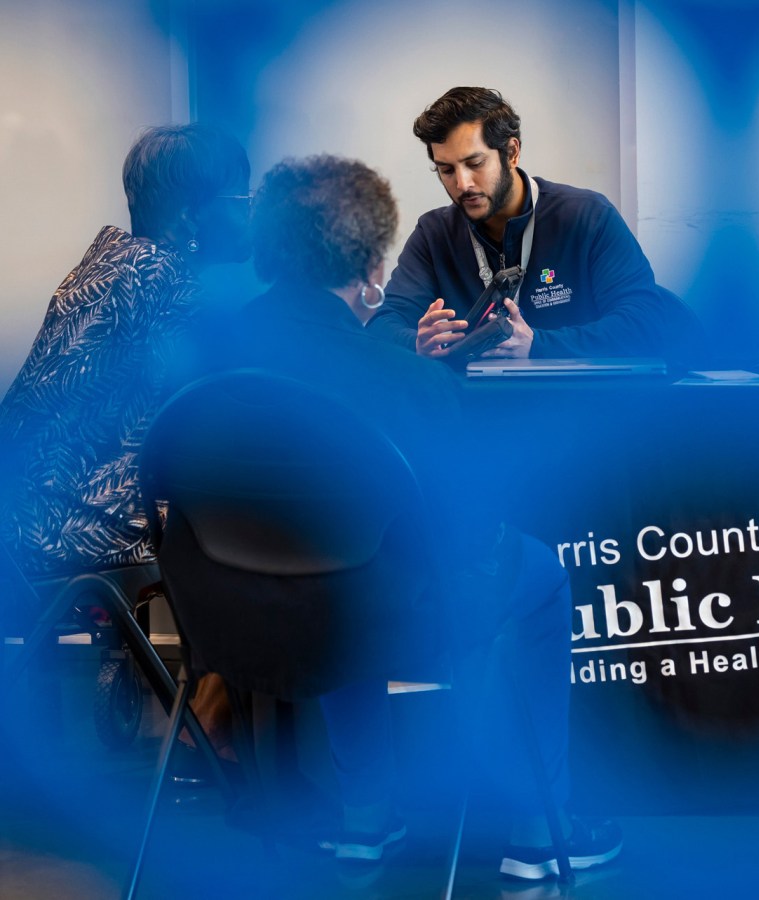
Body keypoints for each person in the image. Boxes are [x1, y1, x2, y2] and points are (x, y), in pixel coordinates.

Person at [207, 154, 621, 877]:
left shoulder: (210, 355)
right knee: (532, 572)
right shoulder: (403, 381)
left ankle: (364, 818)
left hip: (237, 617)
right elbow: (461, 538)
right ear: (372, 253)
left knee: (324, 562)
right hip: (385, 613)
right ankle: (537, 829)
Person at [0, 123, 251, 578]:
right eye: (241, 201)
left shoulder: (116, 263)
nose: (250, 216)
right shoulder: (160, 279)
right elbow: (238, 402)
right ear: (194, 215)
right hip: (68, 522)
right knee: (285, 509)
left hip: (23, 517)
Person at [368, 86, 693, 360]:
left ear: (511, 152)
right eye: (447, 170)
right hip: (475, 411)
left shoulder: (587, 216)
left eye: (475, 163)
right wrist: (416, 342)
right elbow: (383, 324)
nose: (462, 183)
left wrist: (538, 345)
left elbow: (645, 322)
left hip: (576, 409)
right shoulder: (434, 233)